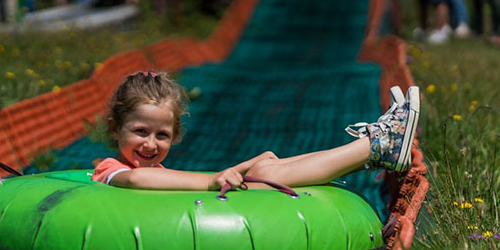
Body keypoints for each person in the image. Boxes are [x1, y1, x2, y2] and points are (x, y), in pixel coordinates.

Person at [91, 72, 420, 192]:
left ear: (175, 135)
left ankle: (371, 149)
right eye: (140, 131)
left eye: (161, 135)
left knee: (264, 167)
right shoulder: (110, 171)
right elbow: (136, 181)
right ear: (114, 129)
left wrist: (245, 165)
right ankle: (377, 146)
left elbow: (171, 179)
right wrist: (211, 181)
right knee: (266, 175)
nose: (150, 144)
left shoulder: (156, 170)